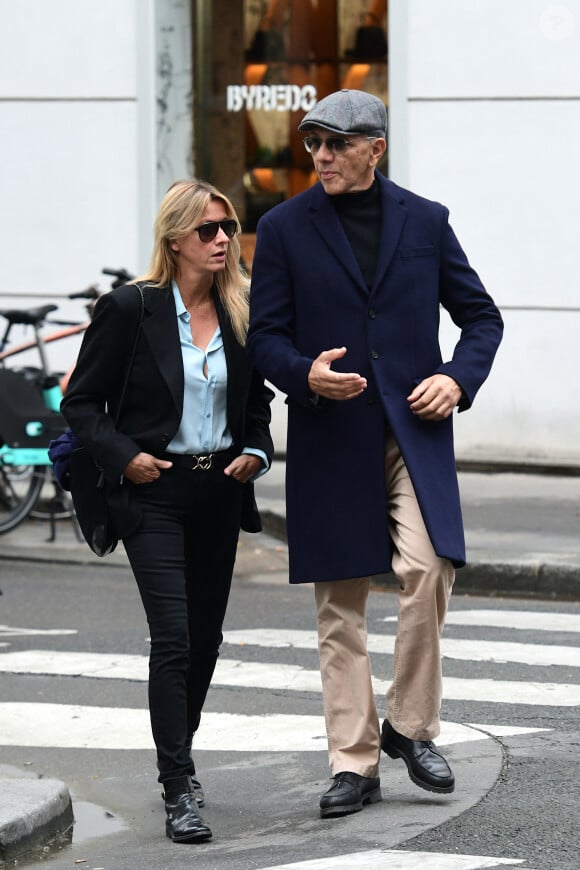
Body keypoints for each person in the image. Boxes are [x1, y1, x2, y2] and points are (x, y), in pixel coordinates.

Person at [247, 89, 503, 818]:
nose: (321, 157)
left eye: (335, 144)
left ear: (374, 149)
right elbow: (265, 336)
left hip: (412, 434)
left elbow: (480, 318)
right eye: (313, 145)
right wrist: (305, 374)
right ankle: (353, 762)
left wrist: (457, 378)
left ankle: (410, 728)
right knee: (341, 604)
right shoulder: (284, 228)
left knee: (429, 568)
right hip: (333, 432)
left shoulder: (426, 220)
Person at [61, 179, 274, 842]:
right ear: (174, 238)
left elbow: (258, 411)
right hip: (153, 491)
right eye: (207, 229)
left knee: (206, 640)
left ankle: (180, 755)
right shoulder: (130, 309)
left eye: (228, 229)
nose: (221, 240)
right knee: (175, 639)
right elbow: (81, 404)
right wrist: (125, 457)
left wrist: (258, 455)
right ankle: (179, 785)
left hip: (217, 493)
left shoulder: (243, 311)